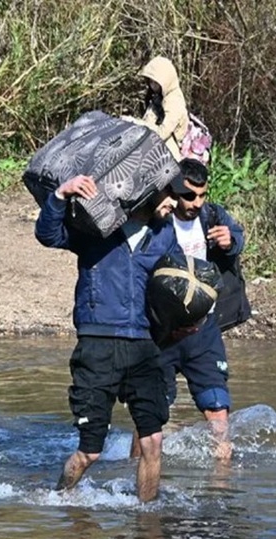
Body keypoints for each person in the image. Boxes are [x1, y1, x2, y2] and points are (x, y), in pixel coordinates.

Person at [36, 174, 180, 503]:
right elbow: (47, 235)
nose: (174, 202)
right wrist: (61, 194)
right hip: (97, 343)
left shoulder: (165, 232)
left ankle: (148, 520)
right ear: (146, 191)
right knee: (90, 453)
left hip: (144, 345)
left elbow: (172, 288)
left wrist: (183, 322)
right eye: (168, 193)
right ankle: (57, 499)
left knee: (152, 442)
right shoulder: (96, 223)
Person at [133, 159, 246, 462]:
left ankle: (222, 490)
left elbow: (237, 235)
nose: (196, 203)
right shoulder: (154, 221)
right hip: (161, 334)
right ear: (174, 190)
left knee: (218, 408)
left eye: (202, 195)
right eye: (189, 196)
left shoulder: (211, 216)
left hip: (204, 332)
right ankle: (129, 474)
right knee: (148, 414)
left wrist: (231, 241)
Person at [140, 56, 189, 162]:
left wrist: (138, 124)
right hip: (154, 153)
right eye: (151, 82)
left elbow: (162, 133)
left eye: (155, 83)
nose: (152, 86)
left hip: (167, 158)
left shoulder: (174, 102)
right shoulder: (158, 96)